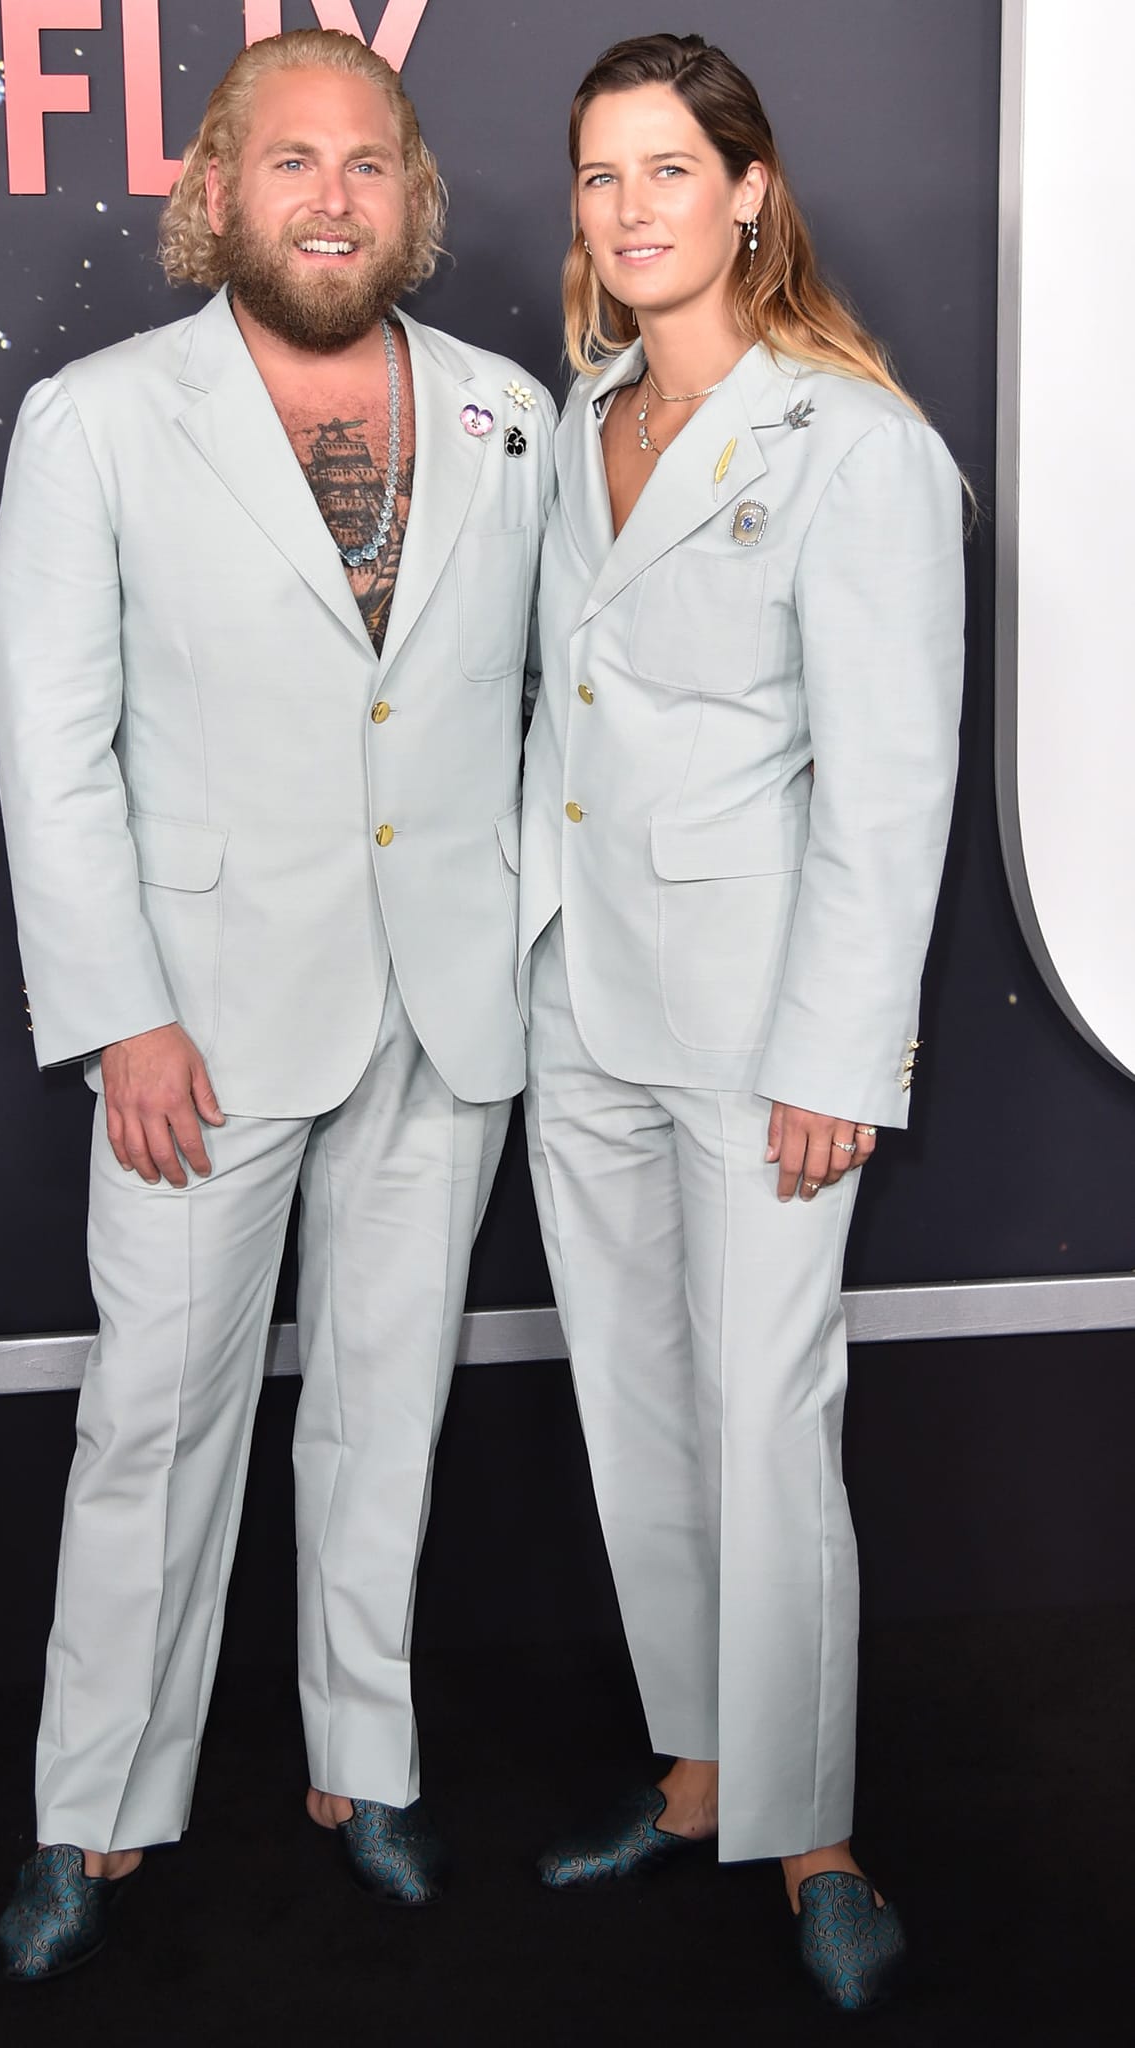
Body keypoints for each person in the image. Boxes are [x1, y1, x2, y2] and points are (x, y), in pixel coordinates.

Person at [0, 28, 555, 1980]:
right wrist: (115, 1013)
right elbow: (53, 757)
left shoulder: (507, 417)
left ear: (410, 196)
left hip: (448, 1005)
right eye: (291, 161)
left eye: (368, 163)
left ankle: (362, 1757)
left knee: (387, 1402)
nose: (333, 196)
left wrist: (537, 945)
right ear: (215, 190)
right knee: (151, 1419)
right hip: (196, 1028)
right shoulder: (95, 423)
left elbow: (561, 715)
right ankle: (100, 1806)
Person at [518, 32, 964, 2013]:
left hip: (759, 1023)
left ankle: (815, 1833)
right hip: (575, 1003)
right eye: (600, 177)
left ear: (747, 190)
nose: (629, 212)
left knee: (766, 1425)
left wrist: (835, 1057)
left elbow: (888, 784)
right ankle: (696, 1767)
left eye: (666, 173)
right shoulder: (568, 418)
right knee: (632, 1402)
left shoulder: (851, 445)